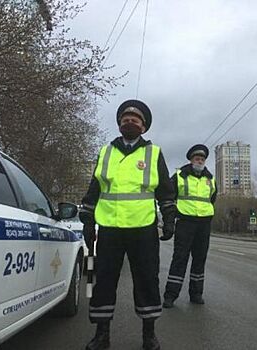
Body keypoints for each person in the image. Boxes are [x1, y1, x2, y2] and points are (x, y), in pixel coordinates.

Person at [80, 100, 176, 350]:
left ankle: (149, 334)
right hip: (109, 228)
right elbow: (95, 188)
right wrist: (88, 220)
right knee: (104, 281)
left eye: (135, 120)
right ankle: (102, 334)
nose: (129, 122)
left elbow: (165, 190)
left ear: (143, 127)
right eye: (125, 118)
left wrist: (169, 217)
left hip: (143, 229)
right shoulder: (106, 151)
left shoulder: (153, 153)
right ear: (119, 124)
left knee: (147, 280)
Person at [162, 144, 217, 308]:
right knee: (180, 258)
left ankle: (196, 294)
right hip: (185, 222)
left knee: (200, 259)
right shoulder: (179, 175)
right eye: (196, 158)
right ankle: (170, 296)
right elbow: (168, 198)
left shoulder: (210, 179)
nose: (199, 161)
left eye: (202, 159)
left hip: (204, 224)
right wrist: (170, 221)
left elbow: (212, 199)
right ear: (191, 160)